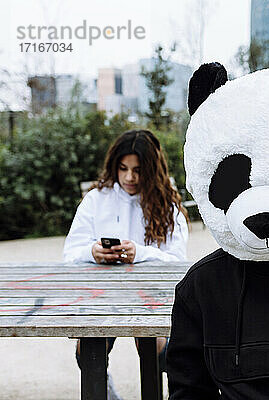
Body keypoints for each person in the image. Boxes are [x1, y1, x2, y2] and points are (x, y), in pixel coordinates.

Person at [63, 129, 189, 399]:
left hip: (150, 298)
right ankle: (106, 393)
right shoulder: (97, 199)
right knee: (88, 351)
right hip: (103, 296)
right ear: (114, 166)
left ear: (151, 169)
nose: (130, 177)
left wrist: (139, 254)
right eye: (123, 169)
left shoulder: (168, 206)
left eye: (138, 170)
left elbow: (178, 262)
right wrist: (93, 251)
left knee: (157, 348)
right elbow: (70, 253)